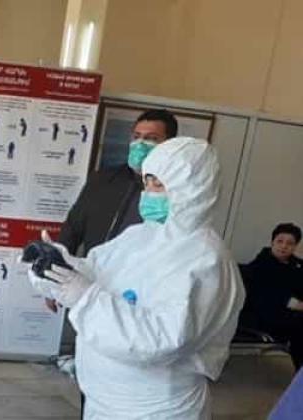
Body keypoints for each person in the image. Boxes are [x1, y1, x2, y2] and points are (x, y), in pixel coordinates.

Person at [28, 137, 245, 418]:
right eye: (147, 183)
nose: (148, 194)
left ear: (192, 191)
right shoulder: (141, 235)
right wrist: (58, 267)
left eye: (159, 185)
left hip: (157, 409)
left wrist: (84, 298)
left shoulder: (206, 259)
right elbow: (96, 272)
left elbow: (161, 341)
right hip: (102, 402)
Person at [59, 109, 178, 256]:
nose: (140, 143)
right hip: (92, 267)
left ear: (169, 144)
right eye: (136, 137)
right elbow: (72, 230)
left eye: (151, 138)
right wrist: (56, 260)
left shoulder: (176, 188)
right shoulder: (102, 180)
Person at [238, 223, 303, 370]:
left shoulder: (297, 265)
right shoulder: (260, 265)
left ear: (295, 246)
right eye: (280, 241)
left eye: (290, 243)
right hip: (264, 315)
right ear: (272, 242)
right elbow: (267, 296)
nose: (284, 246)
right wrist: (296, 304)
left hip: (291, 315)